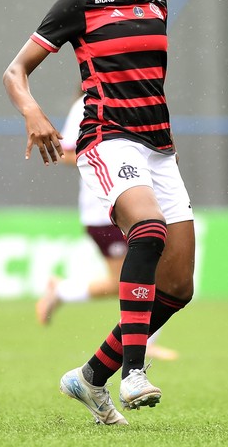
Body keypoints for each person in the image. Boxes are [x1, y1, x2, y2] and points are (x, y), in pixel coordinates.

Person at [3, 0, 194, 426]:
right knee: (149, 230)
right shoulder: (80, 4)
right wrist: (35, 114)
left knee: (179, 287)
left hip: (159, 145)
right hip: (107, 140)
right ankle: (134, 371)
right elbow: (15, 71)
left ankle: (89, 378)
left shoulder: (157, 4)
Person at [37, 94, 179, 362]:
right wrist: (108, 155)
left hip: (140, 206)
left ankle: (143, 340)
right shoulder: (85, 104)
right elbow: (65, 153)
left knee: (161, 276)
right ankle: (64, 291)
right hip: (105, 210)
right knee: (131, 281)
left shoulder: (141, 97)